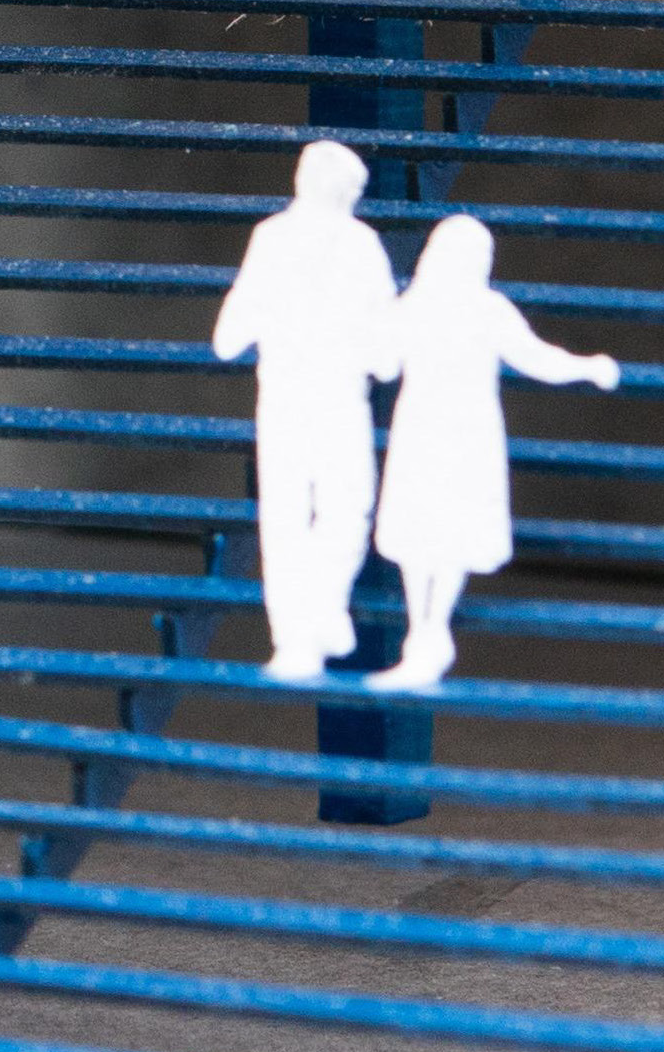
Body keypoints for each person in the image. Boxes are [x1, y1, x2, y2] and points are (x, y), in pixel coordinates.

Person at [366, 213, 619, 690]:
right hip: (427, 429)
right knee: (421, 530)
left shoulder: (483, 309)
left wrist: (585, 367)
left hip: (461, 432)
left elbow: (536, 357)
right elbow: (382, 363)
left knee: (449, 530)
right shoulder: (422, 305)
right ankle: (424, 633)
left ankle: (429, 633)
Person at [208, 138, 403, 679]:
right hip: (313, 395)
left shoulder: (287, 239)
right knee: (322, 510)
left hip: (307, 395)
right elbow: (385, 346)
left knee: (312, 512)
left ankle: (312, 619)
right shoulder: (347, 243)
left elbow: (230, 332)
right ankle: (308, 626)